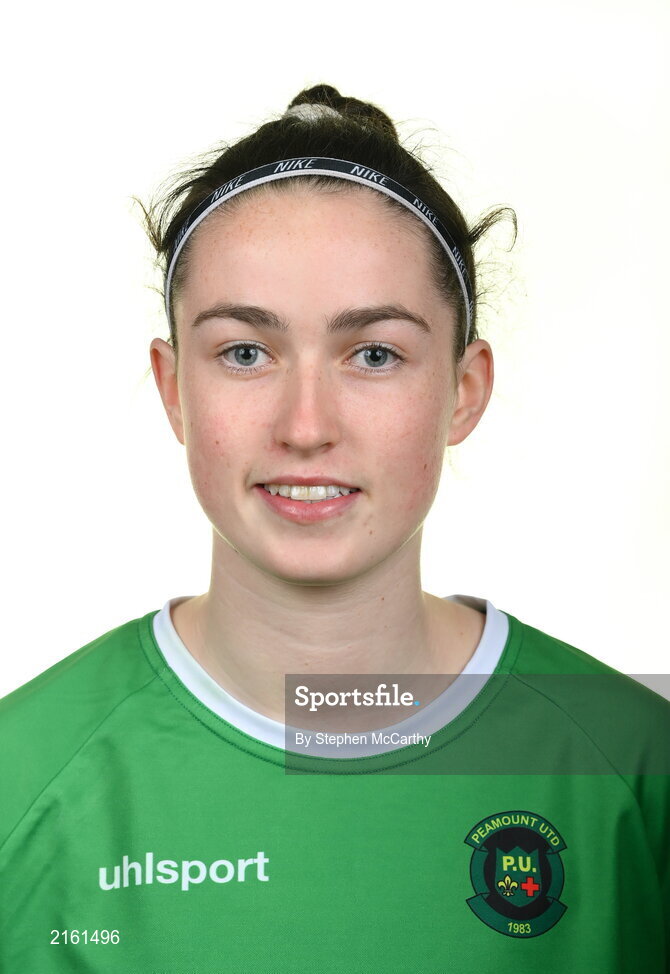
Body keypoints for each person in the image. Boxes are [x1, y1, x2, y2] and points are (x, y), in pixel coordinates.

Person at [0, 83, 668, 973]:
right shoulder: (24, 774)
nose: (306, 425)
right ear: (173, 389)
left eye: (375, 354)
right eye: (245, 351)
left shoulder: (633, 766)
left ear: (463, 390)